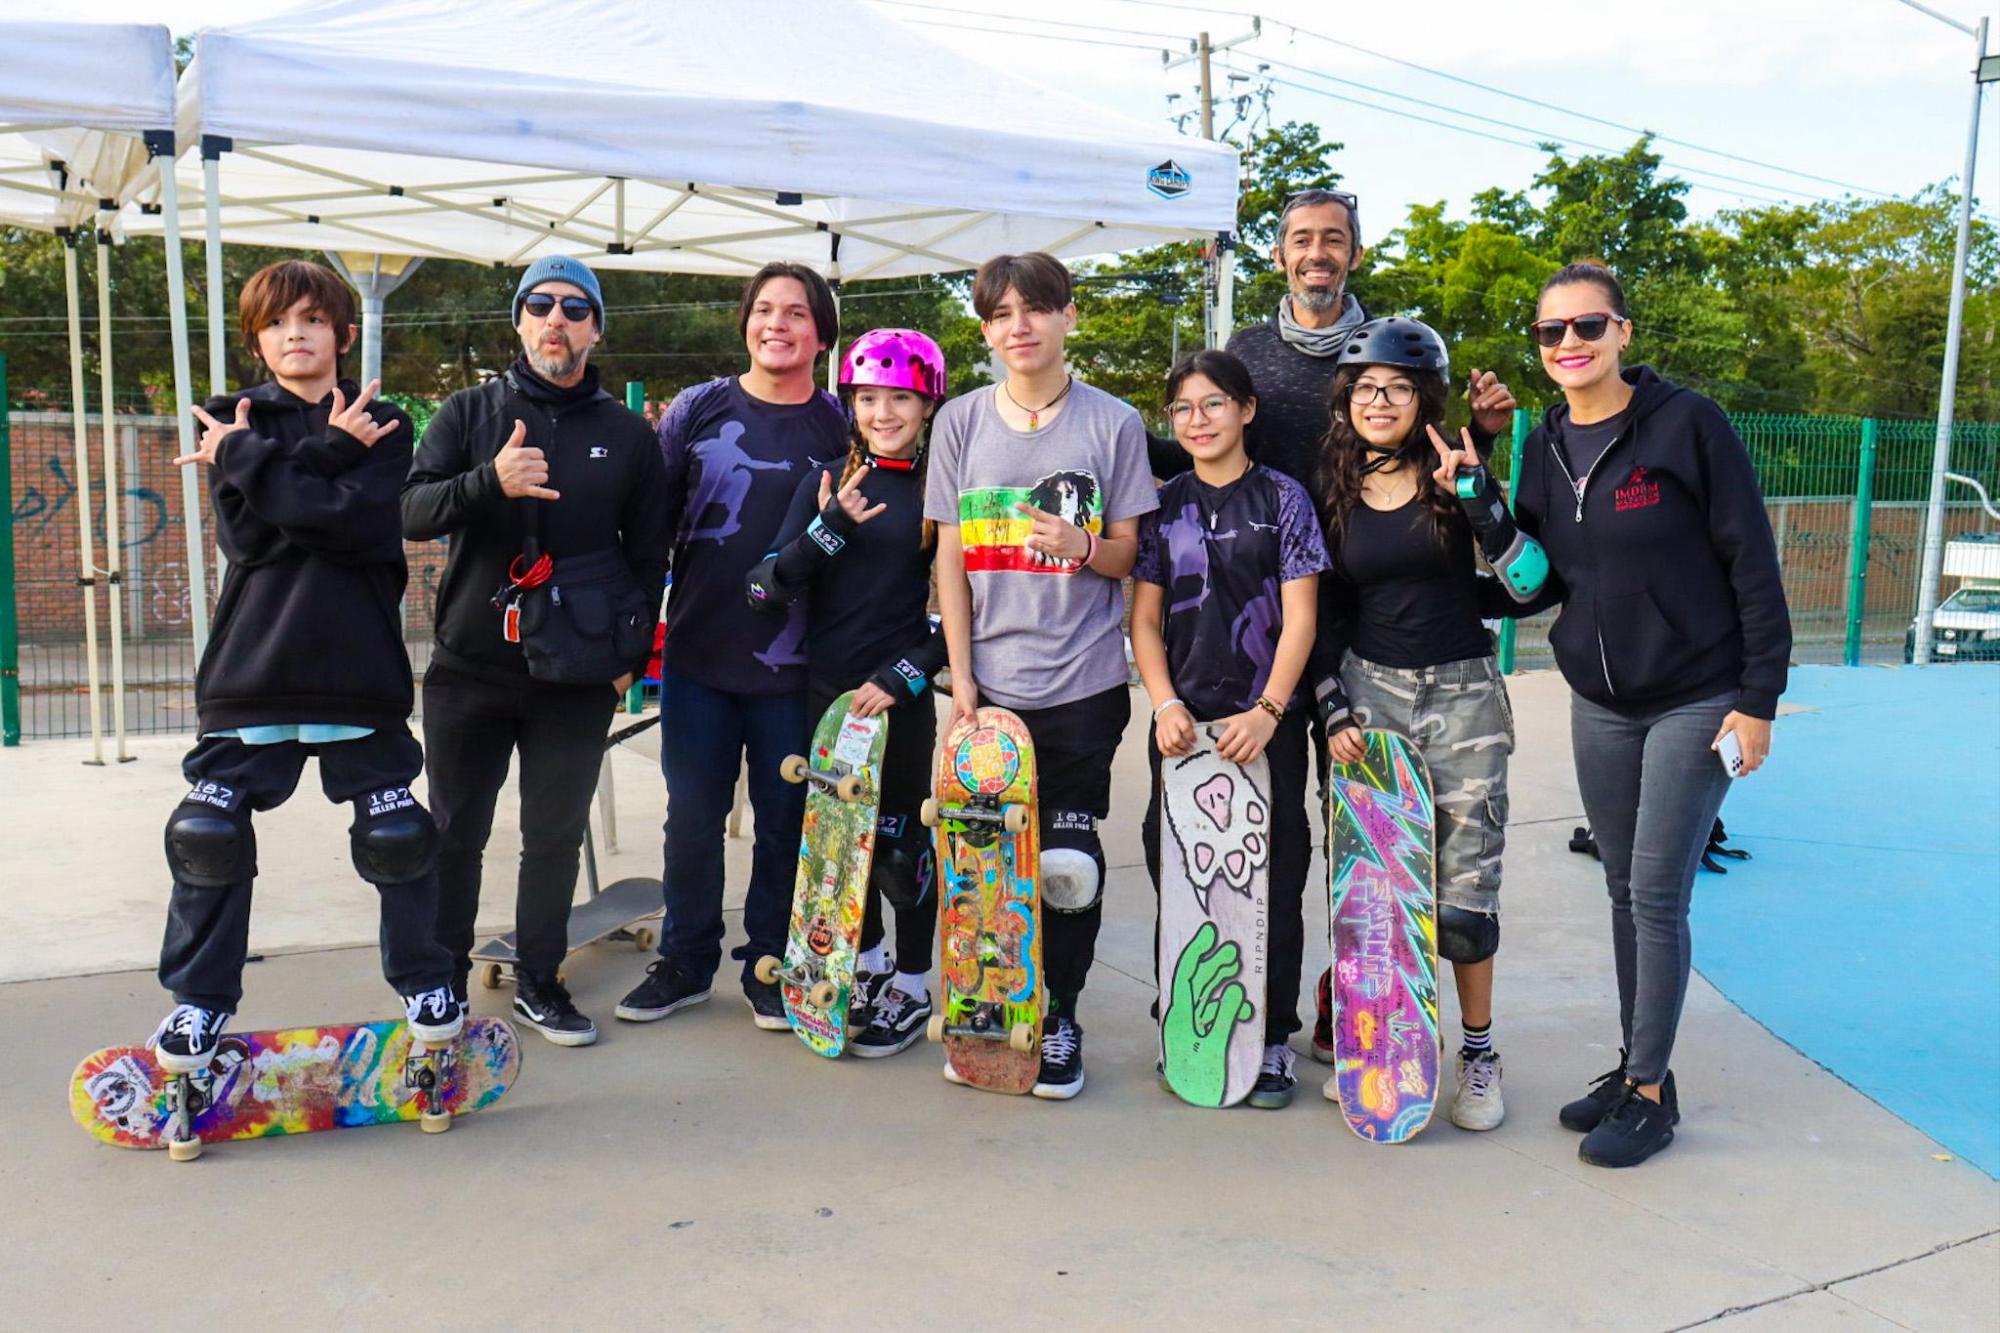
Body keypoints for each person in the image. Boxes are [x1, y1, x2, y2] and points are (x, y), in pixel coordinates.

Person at [152, 259, 458, 1072]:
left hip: (357, 667)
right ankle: (198, 1002)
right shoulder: (230, 417)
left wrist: (263, 467)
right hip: (254, 666)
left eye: (313, 318)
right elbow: (249, 541)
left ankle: (429, 983)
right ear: (258, 339)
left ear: (342, 333)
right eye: (278, 321)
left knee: (398, 833)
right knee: (206, 831)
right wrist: (322, 454)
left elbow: (361, 529)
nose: (296, 332)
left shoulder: (383, 421)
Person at [1515, 261, 1789, 1167]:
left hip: (1697, 692)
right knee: (1621, 888)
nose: (1569, 345)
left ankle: (1647, 1094)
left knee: (1658, 894)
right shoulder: (1544, 442)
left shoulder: (1687, 423)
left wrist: (1759, 700)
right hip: (1600, 699)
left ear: (1623, 332)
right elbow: (1539, 577)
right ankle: (1641, 1067)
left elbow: (1752, 558)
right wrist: (1475, 515)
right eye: (1551, 332)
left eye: (1587, 326)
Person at [403, 255, 670, 1047]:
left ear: (595, 328)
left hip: (576, 676)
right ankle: (440, 984)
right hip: (469, 669)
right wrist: (490, 480)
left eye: (576, 308)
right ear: (519, 320)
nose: (557, 319)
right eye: (541, 304)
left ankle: (542, 981)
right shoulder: (468, 412)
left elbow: (651, 554)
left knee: (553, 836)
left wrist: (628, 660)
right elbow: (412, 511)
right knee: (456, 832)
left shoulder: (628, 436)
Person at [927, 251, 1159, 1099]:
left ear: (1068, 317)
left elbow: (1134, 553)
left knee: (1067, 869)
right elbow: (950, 559)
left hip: (1084, 684)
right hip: (988, 687)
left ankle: (1059, 1017)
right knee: (983, 866)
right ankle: (990, 1012)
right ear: (986, 330)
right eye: (999, 314)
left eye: (1035, 308)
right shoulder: (958, 424)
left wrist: (1084, 547)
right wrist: (961, 682)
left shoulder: (1113, 423)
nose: (1017, 326)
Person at [1309, 316, 1545, 1130]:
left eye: (1399, 388)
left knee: (1465, 902)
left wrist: (1479, 499)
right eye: (1367, 387)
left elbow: (1530, 586)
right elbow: (1320, 612)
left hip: (1464, 696)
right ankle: (1375, 1039)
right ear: (1347, 399)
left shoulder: (1457, 473)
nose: (1380, 401)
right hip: (1369, 694)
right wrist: (1328, 702)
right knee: (1374, 890)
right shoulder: (1331, 487)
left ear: (1423, 401)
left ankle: (1477, 1053)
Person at [616, 263, 849, 1031]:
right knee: (691, 818)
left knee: (786, 822)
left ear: (821, 333)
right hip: (697, 655)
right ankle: (685, 960)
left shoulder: (842, 424)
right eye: (763, 309)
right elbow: (649, 520)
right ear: (745, 320)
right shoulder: (700, 407)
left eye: (795, 313)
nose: (776, 323)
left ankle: (769, 966)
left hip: (795, 668)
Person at [742, 328, 951, 1056]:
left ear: (928, 404)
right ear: (850, 402)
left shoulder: (939, 490)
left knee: (899, 848)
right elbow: (764, 587)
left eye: (900, 397)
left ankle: (914, 980)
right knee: (841, 849)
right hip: (828, 700)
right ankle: (860, 965)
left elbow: (965, 615)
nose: (883, 411)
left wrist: (904, 676)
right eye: (868, 397)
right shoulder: (828, 480)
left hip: (898, 697)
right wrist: (827, 531)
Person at [1132, 349, 1329, 1108]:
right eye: (1182, 409)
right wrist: (1165, 703)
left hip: (1265, 723)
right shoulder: (1164, 505)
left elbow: (1302, 617)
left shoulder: (1285, 498)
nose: (1197, 421)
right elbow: (1143, 620)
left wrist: (1270, 708)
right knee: (1175, 868)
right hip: (1185, 727)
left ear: (1246, 410)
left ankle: (1272, 1036)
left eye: (1212, 404)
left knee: (1272, 878)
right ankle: (1181, 1015)